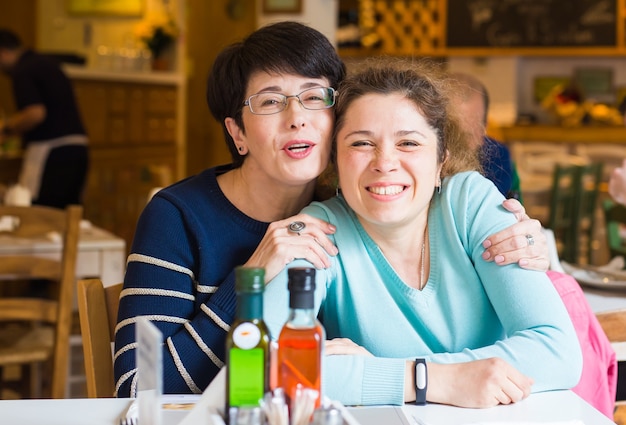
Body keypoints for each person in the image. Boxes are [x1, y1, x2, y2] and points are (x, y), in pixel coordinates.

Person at [114, 22, 549, 398]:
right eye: (269, 101)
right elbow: (139, 387)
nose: (296, 118)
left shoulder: (363, 199)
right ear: (237, 133)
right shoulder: (178, 215)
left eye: (313, 97)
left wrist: (531, 245)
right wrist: (251, 277)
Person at [263, 59, 582, 408]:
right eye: (361, 144)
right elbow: (267, 367)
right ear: (336, 162)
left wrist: (379, 374)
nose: (384, 163)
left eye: (409, 144)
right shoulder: (316, 230)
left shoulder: (470, 203)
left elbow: (556, 351)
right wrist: (436, 381)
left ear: (440, 162)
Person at [0, 28, 89, 208]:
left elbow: (35, 113)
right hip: (79, 148)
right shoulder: (48, 64)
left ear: (3, 52)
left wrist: (7, 129)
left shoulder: (23, 70)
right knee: (67, 214)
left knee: (38, 213)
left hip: (51, 151)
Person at [449, 72, 522, 202]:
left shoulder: (498, 160)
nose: (452, 148)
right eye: (447, 134)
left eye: (466, 136)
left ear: (484, 130)